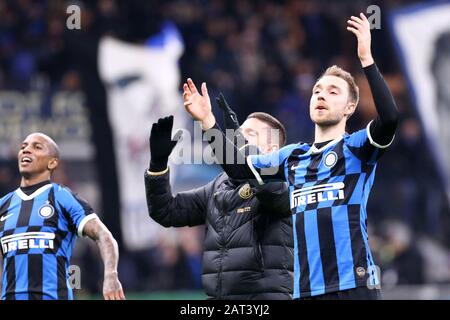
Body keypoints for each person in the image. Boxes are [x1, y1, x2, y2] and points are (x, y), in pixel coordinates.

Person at [182, 13, 399, 300]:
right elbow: (239, 170)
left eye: (333, 92)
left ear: (349, 108)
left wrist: (366, 60)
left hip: (354, 287)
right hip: (304, 291)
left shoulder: (356, 148)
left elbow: (390, 118)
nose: (321, 96)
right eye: (317, 90)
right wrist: (208, 122)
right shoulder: (292, 157)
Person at [144, 98, 294, 300]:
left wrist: (208, 121)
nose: (238, 136)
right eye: (238, 132)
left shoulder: (284, 180)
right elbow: (166, 211)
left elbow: (251, 173)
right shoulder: (218, 186)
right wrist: (158, 165)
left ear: (270, 149)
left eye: (248, 134)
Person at [0, 133, 125, 300]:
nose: (26, 150)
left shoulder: (62, 197)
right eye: (23, 147)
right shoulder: (3, 205)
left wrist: (111, 275)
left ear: (52, 162)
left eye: (36, 147)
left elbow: (104, 235)